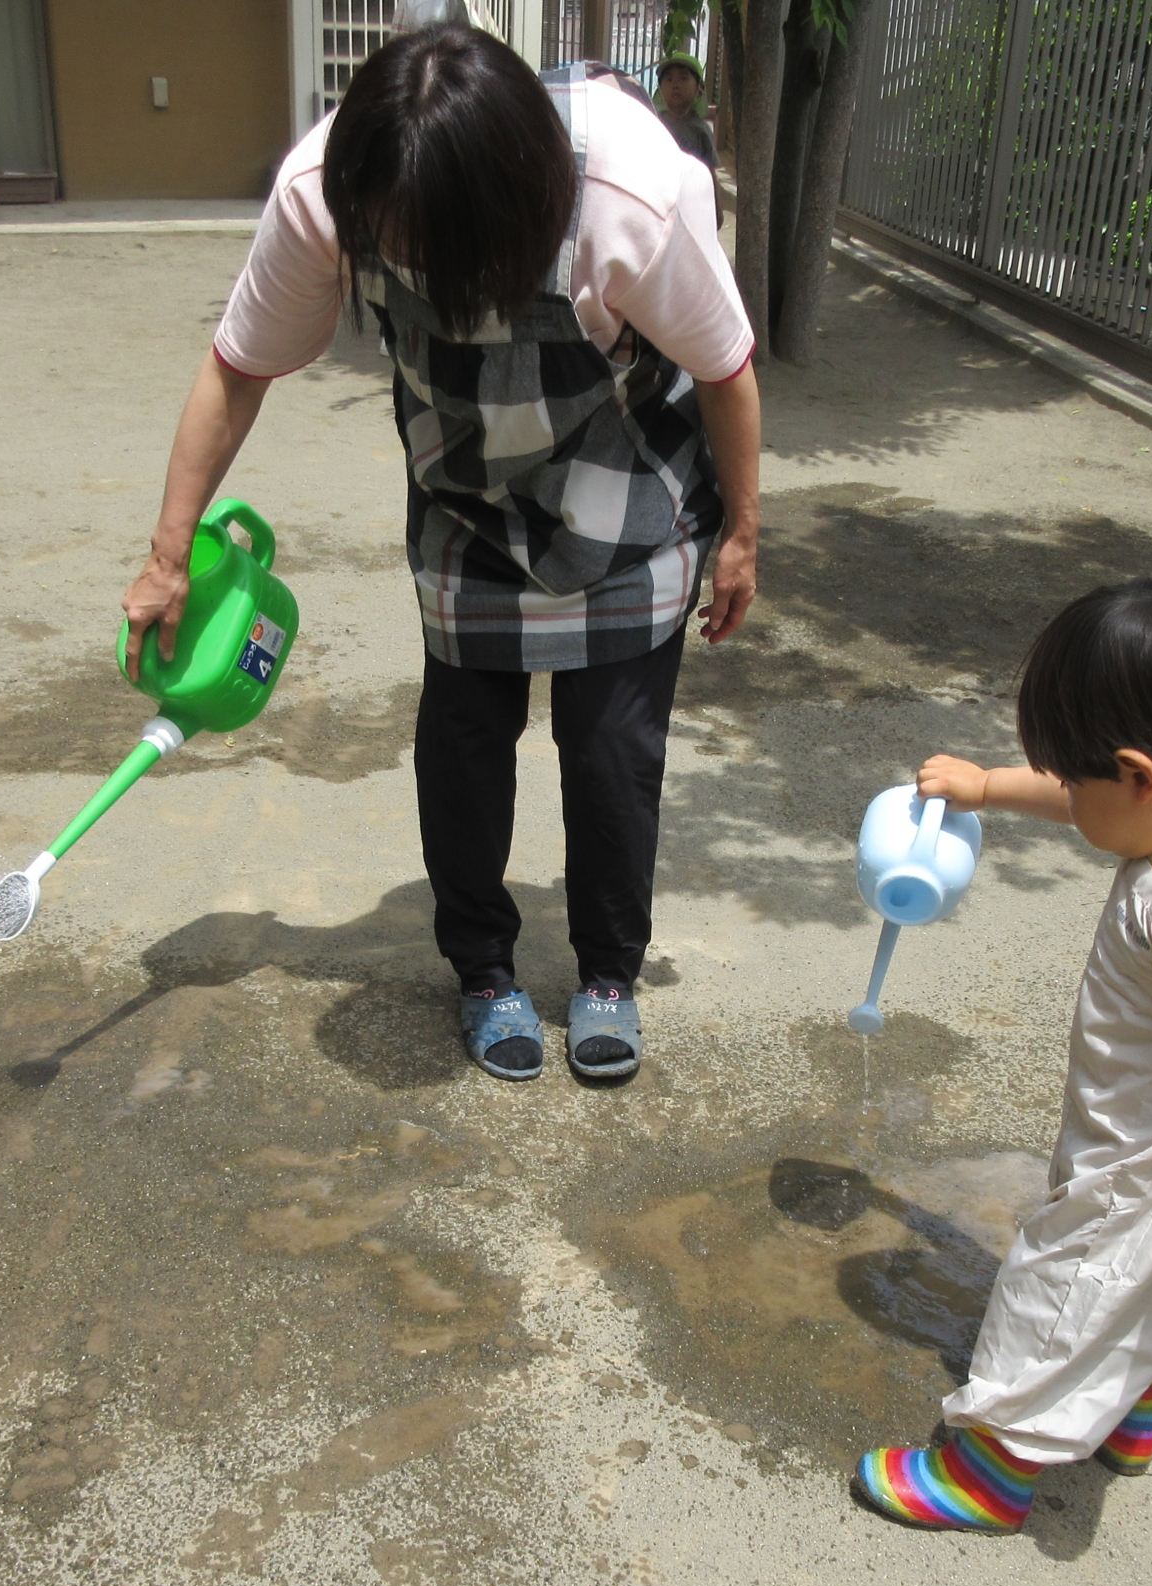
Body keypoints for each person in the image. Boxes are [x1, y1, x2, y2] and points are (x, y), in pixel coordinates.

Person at [120, 25, 761, 1084]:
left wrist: (740, 534)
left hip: (629, 477)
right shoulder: (324, 193)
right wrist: (167, 554)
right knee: (462, 748)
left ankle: (607, 970)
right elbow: (238, 367)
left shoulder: (633, 196)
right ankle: (480, 969)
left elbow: (727, 369)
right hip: (463, 494)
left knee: (610, 753)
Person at [854, 581, 1152, 1533]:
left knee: (1059, 1284)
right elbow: (1087, 799)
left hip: (1148, 1163)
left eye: (1076, 777)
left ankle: (990, 1468)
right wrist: (986, 788)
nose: (1065, 794)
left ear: (1142, 777)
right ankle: (1131, 1409)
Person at [651, 53, 723, 225]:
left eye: (683, 79)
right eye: (668, 80)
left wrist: (716, 209)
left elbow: (710, 171)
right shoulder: (654, 125)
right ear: (660, 90)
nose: (675, 85)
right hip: (660, 201)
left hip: (691, 204)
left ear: (700, 88)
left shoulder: (701, 130)